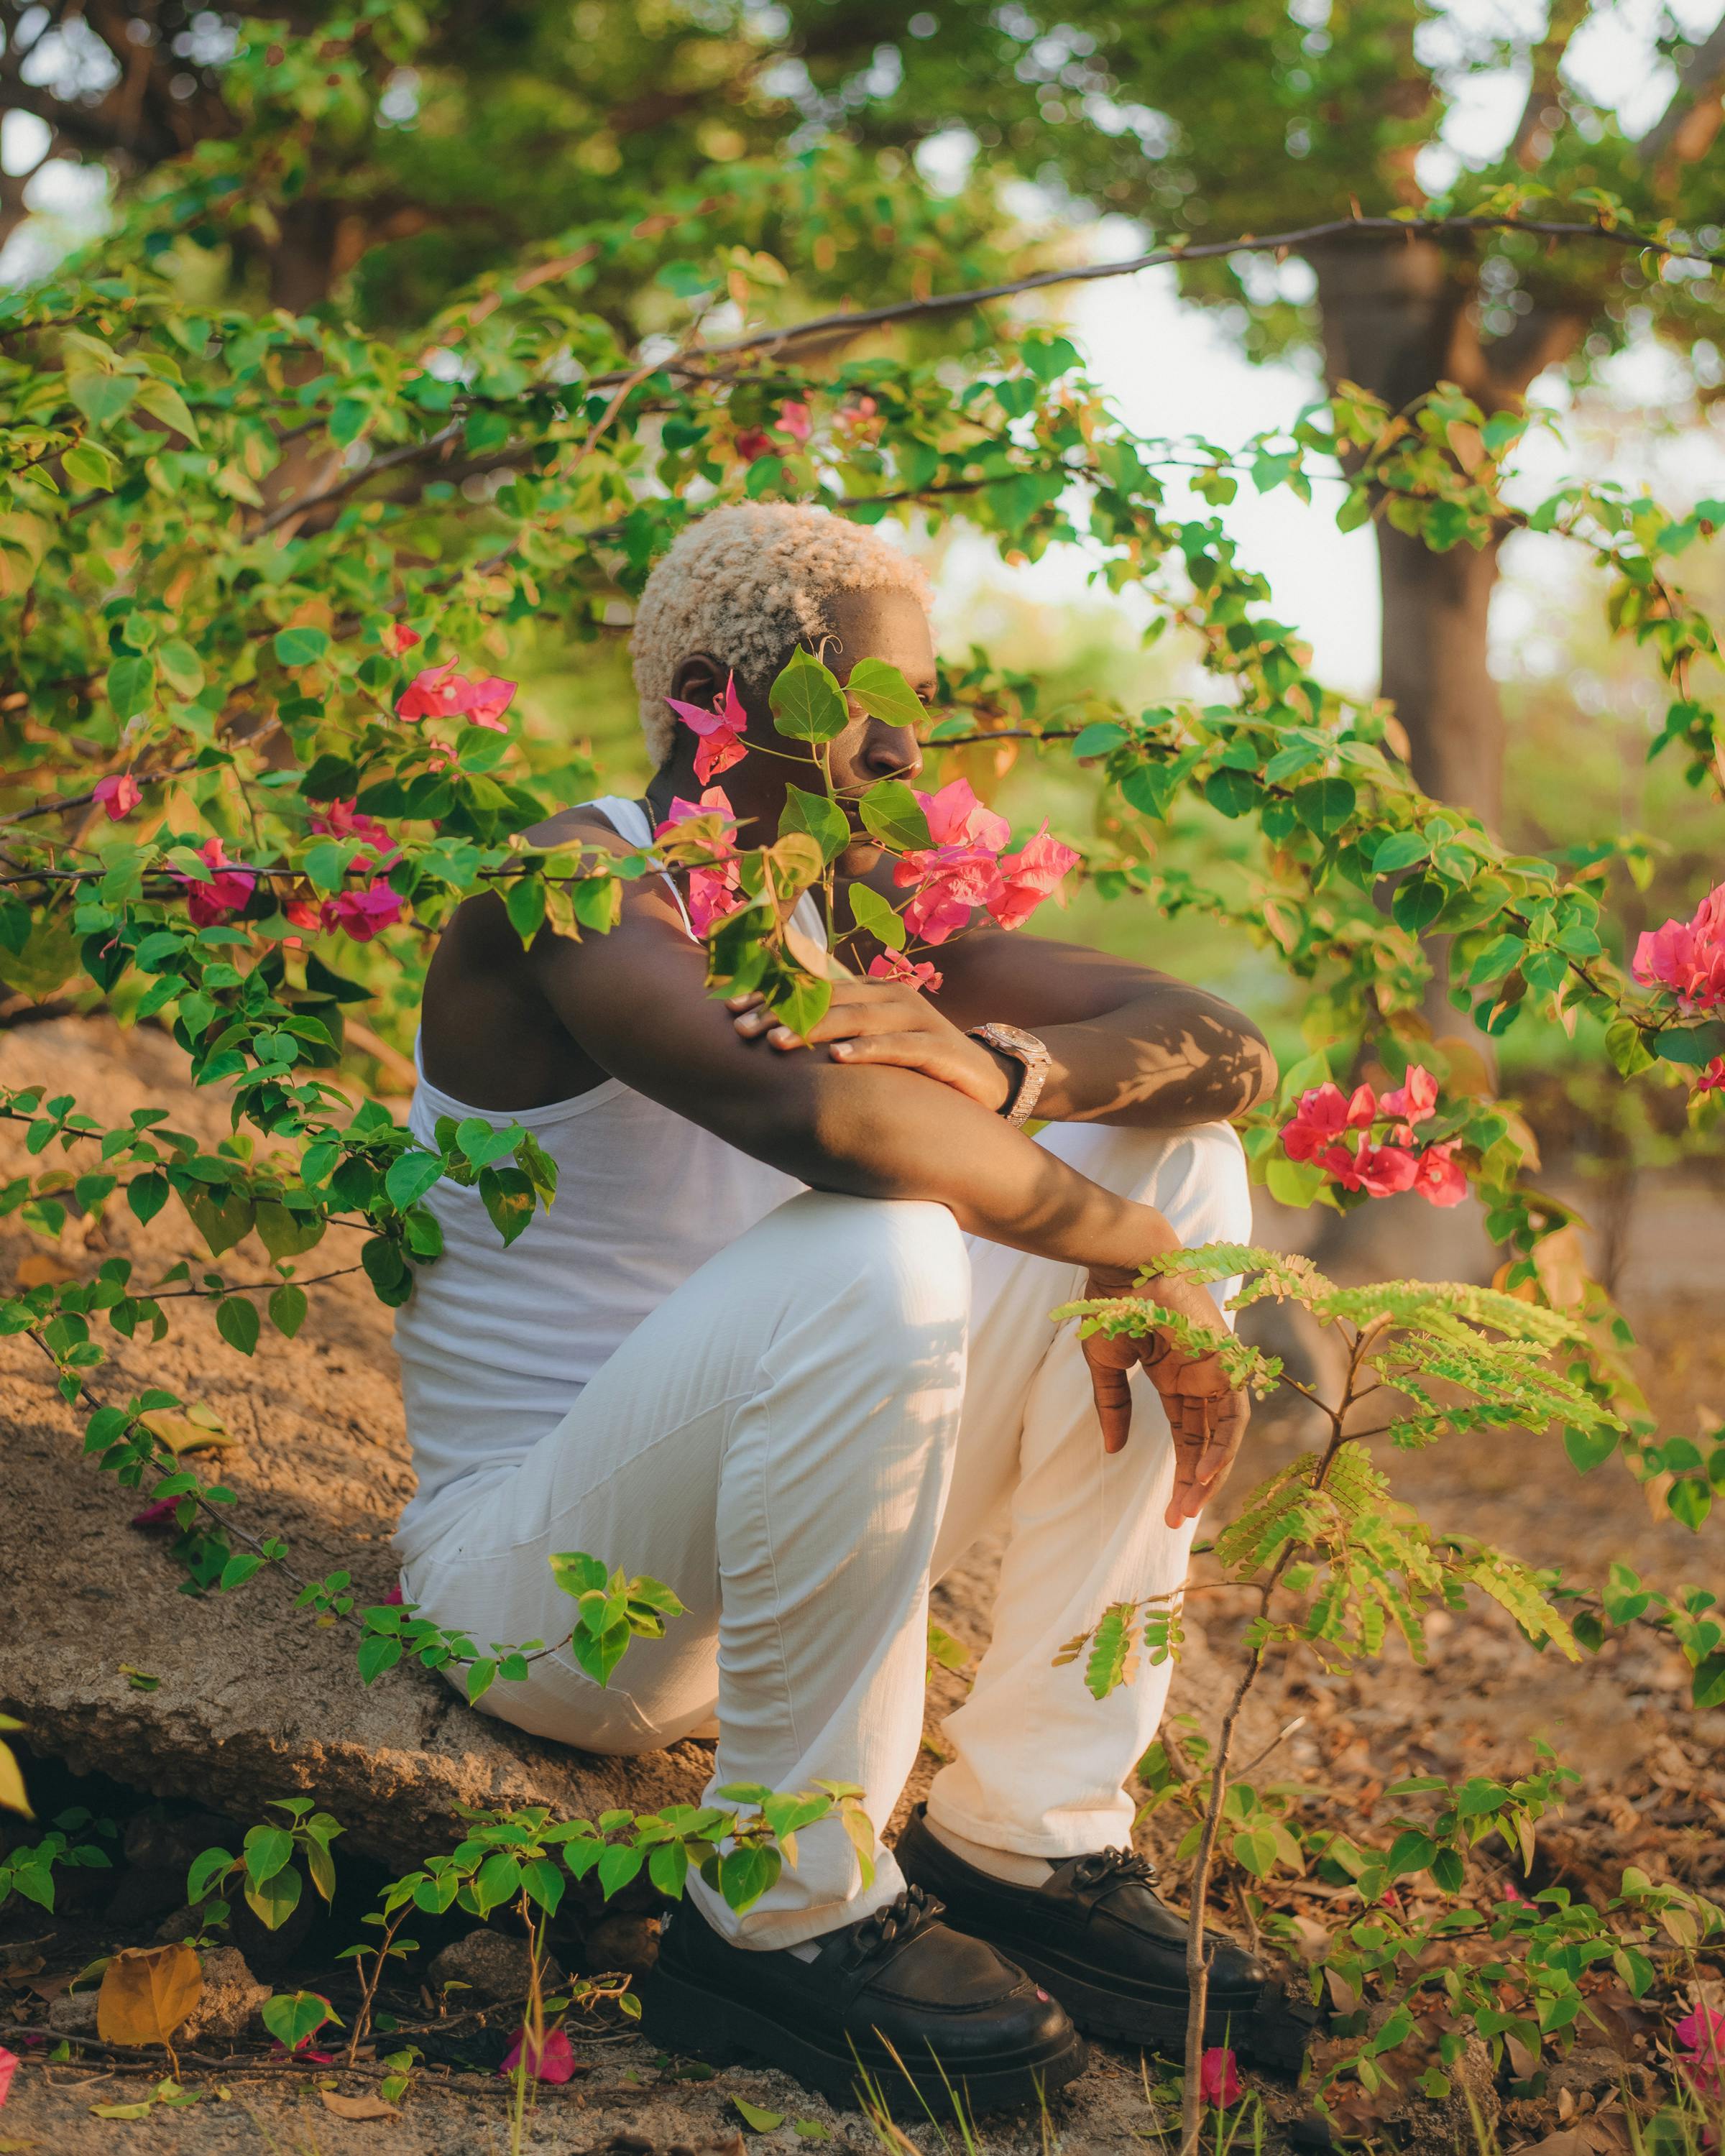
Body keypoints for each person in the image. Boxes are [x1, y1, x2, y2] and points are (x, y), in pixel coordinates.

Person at [392, 502, 1294, 2109]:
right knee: (884, 1235)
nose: (907, 751)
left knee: (1184, 1159)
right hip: (543, 1597)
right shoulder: (575, 888)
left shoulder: (851, 913)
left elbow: (1221, 1040)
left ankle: (1029, 1833)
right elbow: (827, 1123)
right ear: (720, 697)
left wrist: (1011, 1064)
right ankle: (781, 1909)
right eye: (875, 713)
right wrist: (1115, 1253)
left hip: (778, 1546)